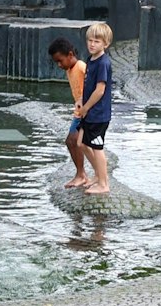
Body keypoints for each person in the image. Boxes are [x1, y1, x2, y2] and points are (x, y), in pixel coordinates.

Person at [74, 22, 114, 195]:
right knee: (81, 143)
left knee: (98, 148)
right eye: (90, 40)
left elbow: (100, 90)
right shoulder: (90, 60)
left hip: (99, 114)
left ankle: (104, 183)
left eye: (97, 41)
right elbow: (88, 86)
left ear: (106, 44)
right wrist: (81, 101)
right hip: (89, 112)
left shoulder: (103, 63)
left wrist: (86, 108)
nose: (92, 44)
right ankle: (98, 174)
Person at [47, 38, 91, 189]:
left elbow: (93, 84)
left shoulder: (80, 67)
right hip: (78, 112)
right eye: (56, 62)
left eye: (60, 60)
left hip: (86, 111)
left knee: (75, 141)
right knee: (70, 141)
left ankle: (82, 175)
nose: (59, 65)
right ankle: (81, 173)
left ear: (70, 54)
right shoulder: (69, 69)